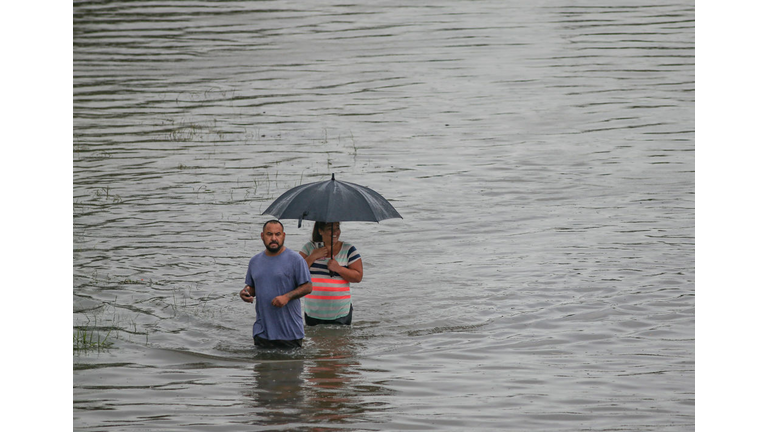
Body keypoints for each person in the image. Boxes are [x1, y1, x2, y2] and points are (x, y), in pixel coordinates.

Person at [239, 220, 312, 348]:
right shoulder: (255, 261)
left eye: (277, 234)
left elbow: (307, 287)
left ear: (283, 235)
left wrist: (287, 297)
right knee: (262, 367)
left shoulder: (296, 259)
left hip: (289, 332)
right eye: (269, 234)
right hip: (262, 332)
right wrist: (245, 292)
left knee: (291, 367)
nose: (273, 238)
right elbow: (252, 287)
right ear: (262, 236)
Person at [299, 221, 363, 326]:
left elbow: (358, 277)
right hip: (313, 311)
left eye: (337, 228)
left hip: (340, 312)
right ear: (320, 230)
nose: (335, 232)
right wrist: (313, 256)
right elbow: (296, 273)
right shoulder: (309, 248)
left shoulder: (348, 249)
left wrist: (338, 269)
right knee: (315, 342)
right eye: (330, 228)